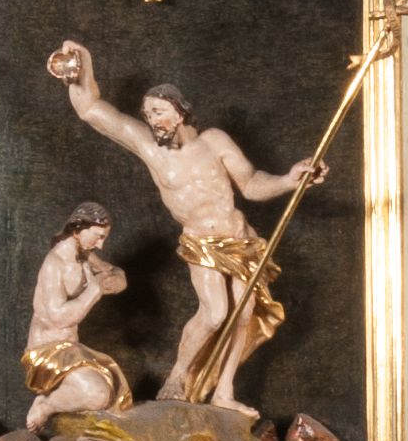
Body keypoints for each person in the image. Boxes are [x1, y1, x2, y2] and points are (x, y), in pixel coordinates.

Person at [48, 40, 325, 411]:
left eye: (158, 111)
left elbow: (251, 184)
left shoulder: (214, 142)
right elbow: (92, 110)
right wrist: (81, 70)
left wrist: (290, 180)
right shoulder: (150, 148)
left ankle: (224, 392)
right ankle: (178, 376)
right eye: (147, 113)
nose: (152, 119)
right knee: (215, 313)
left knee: (242, 314)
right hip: (201, 243)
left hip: (239, 238)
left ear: (179, 112)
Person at [21, 203, 132, 430]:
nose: (101, 245)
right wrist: (94, 291)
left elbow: (113, 273)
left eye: (104, 238)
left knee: (113, 389)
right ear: (79, 228)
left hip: (71, 349)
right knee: (99, 395)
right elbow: (58, 318)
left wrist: (116, 281)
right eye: (98, 236)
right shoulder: (55, 263)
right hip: (46, 353)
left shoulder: (83, 255)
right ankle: (46, 405)